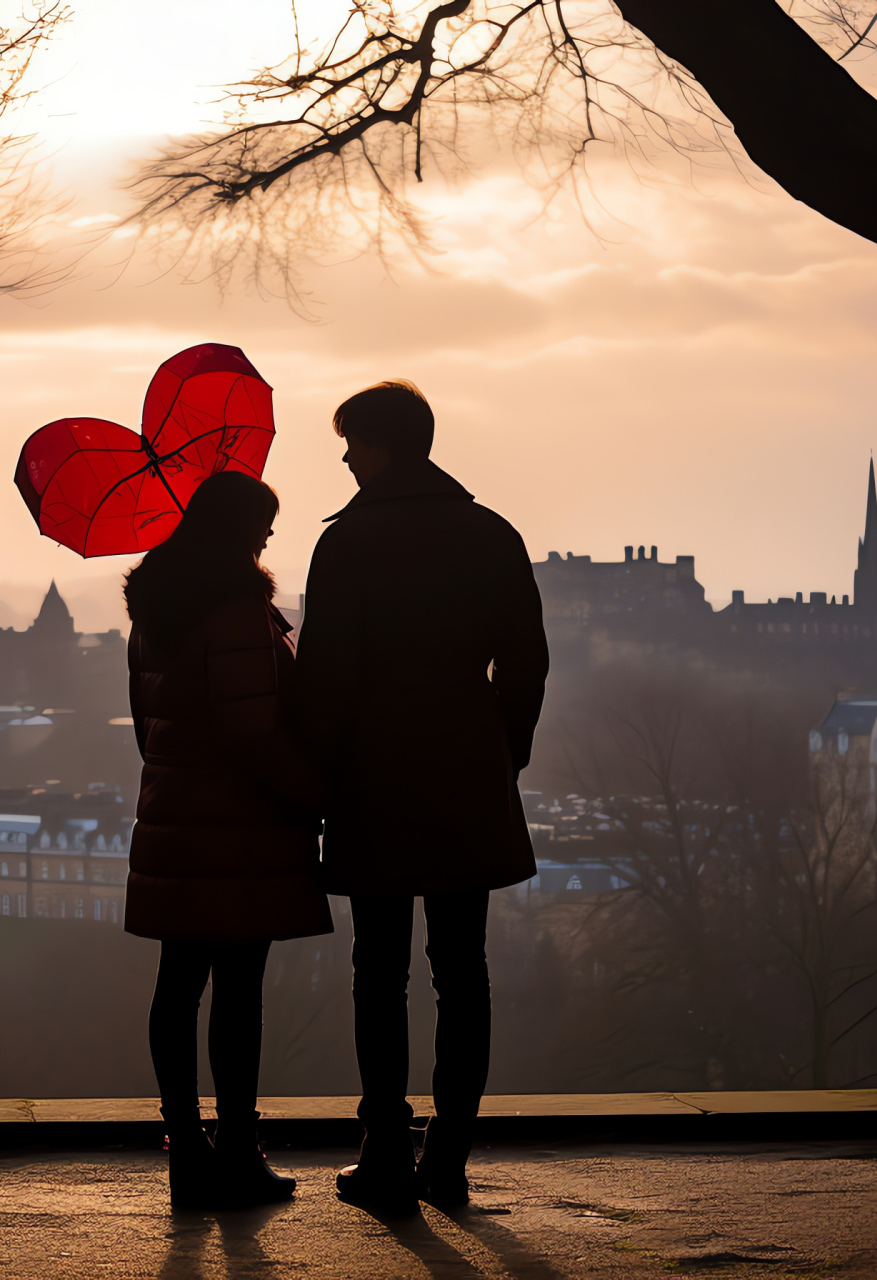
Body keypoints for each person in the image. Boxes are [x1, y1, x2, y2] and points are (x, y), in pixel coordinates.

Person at [297, 380, 549, 1215]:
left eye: (350, 443)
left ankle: (385, 1152)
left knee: (379, 973)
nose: (342, 458)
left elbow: (326, 677)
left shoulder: (349, 543)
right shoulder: (492, 534)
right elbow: (527, 665)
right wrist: (503, 753)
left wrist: (316, 777)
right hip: (465, 774)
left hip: (373, 778)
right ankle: (449, 1156)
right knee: (463, 972)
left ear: (379, 447)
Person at [122, 469, 335, 1210]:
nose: (270, 535)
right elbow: (255, 734)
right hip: (241, 827)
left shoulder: (153, 611)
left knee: (176, 988)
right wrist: (318, 797)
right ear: (235, 529)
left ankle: (185, 1151)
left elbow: (150, 728)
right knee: (240, 994)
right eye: (263, 522)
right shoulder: (238, 612)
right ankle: (239, 1151)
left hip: (173, 818)